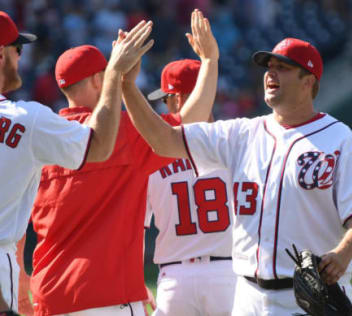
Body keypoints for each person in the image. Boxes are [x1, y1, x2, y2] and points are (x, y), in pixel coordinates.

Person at [123, 37, 352, 315]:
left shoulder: (338, 139)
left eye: (283, 67)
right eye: (269, 66)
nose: (270, 73)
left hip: (306, 297)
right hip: (246, 297)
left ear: (308, 81)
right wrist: (126, 84)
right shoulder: (241, 134)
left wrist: (343, 253)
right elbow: (164, 141)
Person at [28, 10, 219, 316]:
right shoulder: (124, 134)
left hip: (50, 297)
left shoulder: (40, 138)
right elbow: (190, 122)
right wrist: (210, 62)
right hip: (109, 297)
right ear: (97, 79)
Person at [0, 11, 147, 315]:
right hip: (108, 294)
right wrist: (118, 79)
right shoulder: (31, 122)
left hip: (51, 291)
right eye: (17, 48)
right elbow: (99, 144)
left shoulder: (39, 125)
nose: (20, 56)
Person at [145, 58, 236, 316]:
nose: (164, 106)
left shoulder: (152, 155)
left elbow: (135, 228)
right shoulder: (234, 141)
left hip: (176, 277)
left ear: (179, 98)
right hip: (228, 274)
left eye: (166, 99)